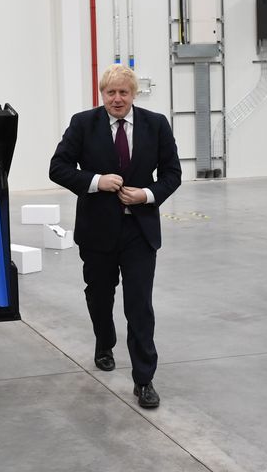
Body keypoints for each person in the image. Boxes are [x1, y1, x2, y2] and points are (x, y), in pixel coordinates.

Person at [49, 64, 181, 409]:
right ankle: (104, 342)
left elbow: (172, 173)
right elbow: (58, 167)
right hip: (97, 230)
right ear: (102, 94)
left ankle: (144, 380)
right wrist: (96, 182)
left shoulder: (156, 125)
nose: (117, 99)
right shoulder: (83, 123)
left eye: (124, 92)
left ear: (134, 94)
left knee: (139, 305)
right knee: (99, 295)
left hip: (139, 230)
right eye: (111, 92)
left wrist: (146, 195)